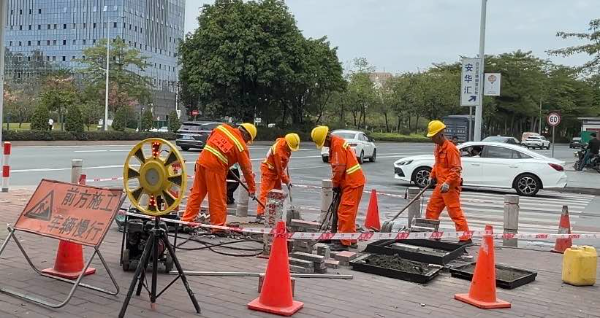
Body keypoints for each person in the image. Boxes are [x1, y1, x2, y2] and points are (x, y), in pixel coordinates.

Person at [182, 123, 257, 230]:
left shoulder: (222, 128)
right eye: (248, 140)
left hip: (202, 161)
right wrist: (252, 189)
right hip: (216, 168)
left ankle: (187, 220)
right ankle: (218, 227)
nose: (247, 143)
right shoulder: (241, 146)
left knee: (196, 193)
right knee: (217, 198)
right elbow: (247, 170)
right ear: (246, 136)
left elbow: (210, 140)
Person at [311, 126, 366, 251]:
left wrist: (335, 185)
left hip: (351, 183)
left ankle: (343, 242)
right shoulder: (336, 143)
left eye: (323, 143)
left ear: (326, 138)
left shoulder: (337, 146)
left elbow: (339, 168)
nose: (323, 145)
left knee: (345, 212)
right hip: (351, 182)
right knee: (347, 212)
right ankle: (350, 239)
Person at [425, 120, 471, 244]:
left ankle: (465, 238)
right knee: (431, 210)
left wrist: (448, 183)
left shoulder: (451, 149)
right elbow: (437, 164)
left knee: (454, 212)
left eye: (433, 136)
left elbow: (456, 169)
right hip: (441, 185)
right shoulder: (438, 147)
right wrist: (432, 176)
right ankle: (433, 235)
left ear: (440, 134)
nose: (431, 139)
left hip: (450, 187)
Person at [256, 133, 301, 222]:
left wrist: (286, 178)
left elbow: (283, 166)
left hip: (276, 171)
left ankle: (275, 213)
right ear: (287, 143)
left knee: (278, 193)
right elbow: (279, 169)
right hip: (269, 170)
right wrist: (287, 181)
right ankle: (260, 214)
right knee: (266, 193)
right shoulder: (278, 151)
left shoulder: (286, 146)